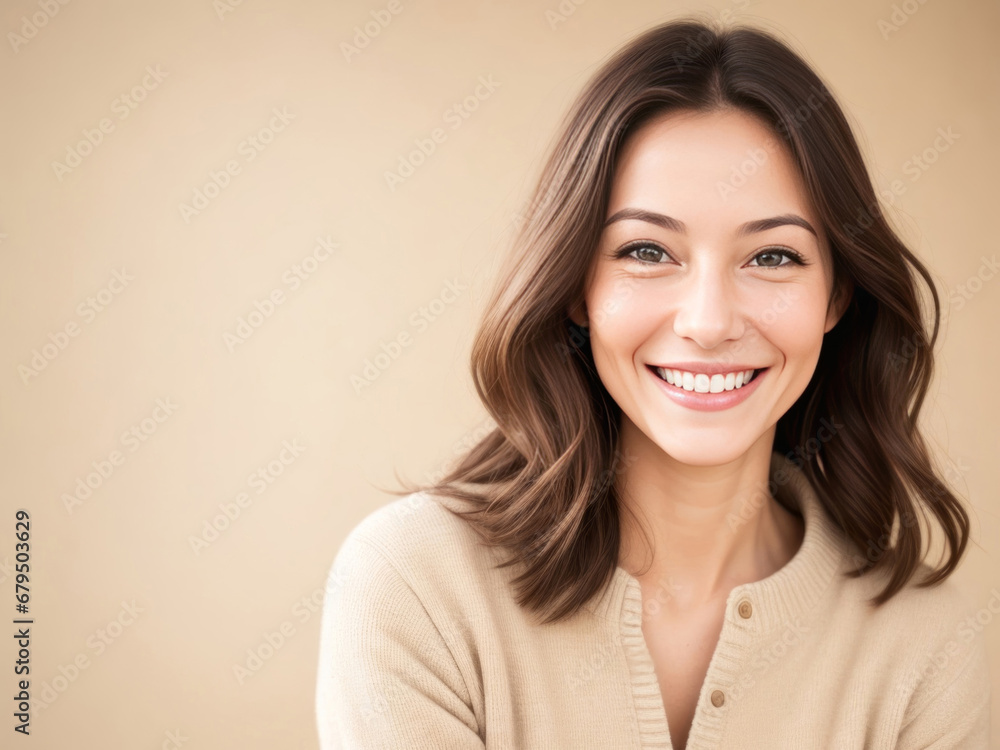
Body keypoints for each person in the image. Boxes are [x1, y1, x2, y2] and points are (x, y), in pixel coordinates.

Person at [316, 16, 991, 750]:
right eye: (647, 250)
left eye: (772, 257)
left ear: (836, 297)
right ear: (577, 287)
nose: (708, 321)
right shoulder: (413, 586)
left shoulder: (931, 646)